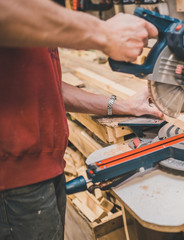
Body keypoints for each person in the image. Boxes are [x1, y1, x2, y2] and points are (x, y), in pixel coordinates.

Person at [0, 0, 163, 239]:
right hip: (11, 178)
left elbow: (49, 87)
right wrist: (104, 34)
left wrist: (123, 106)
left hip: (40, 168)